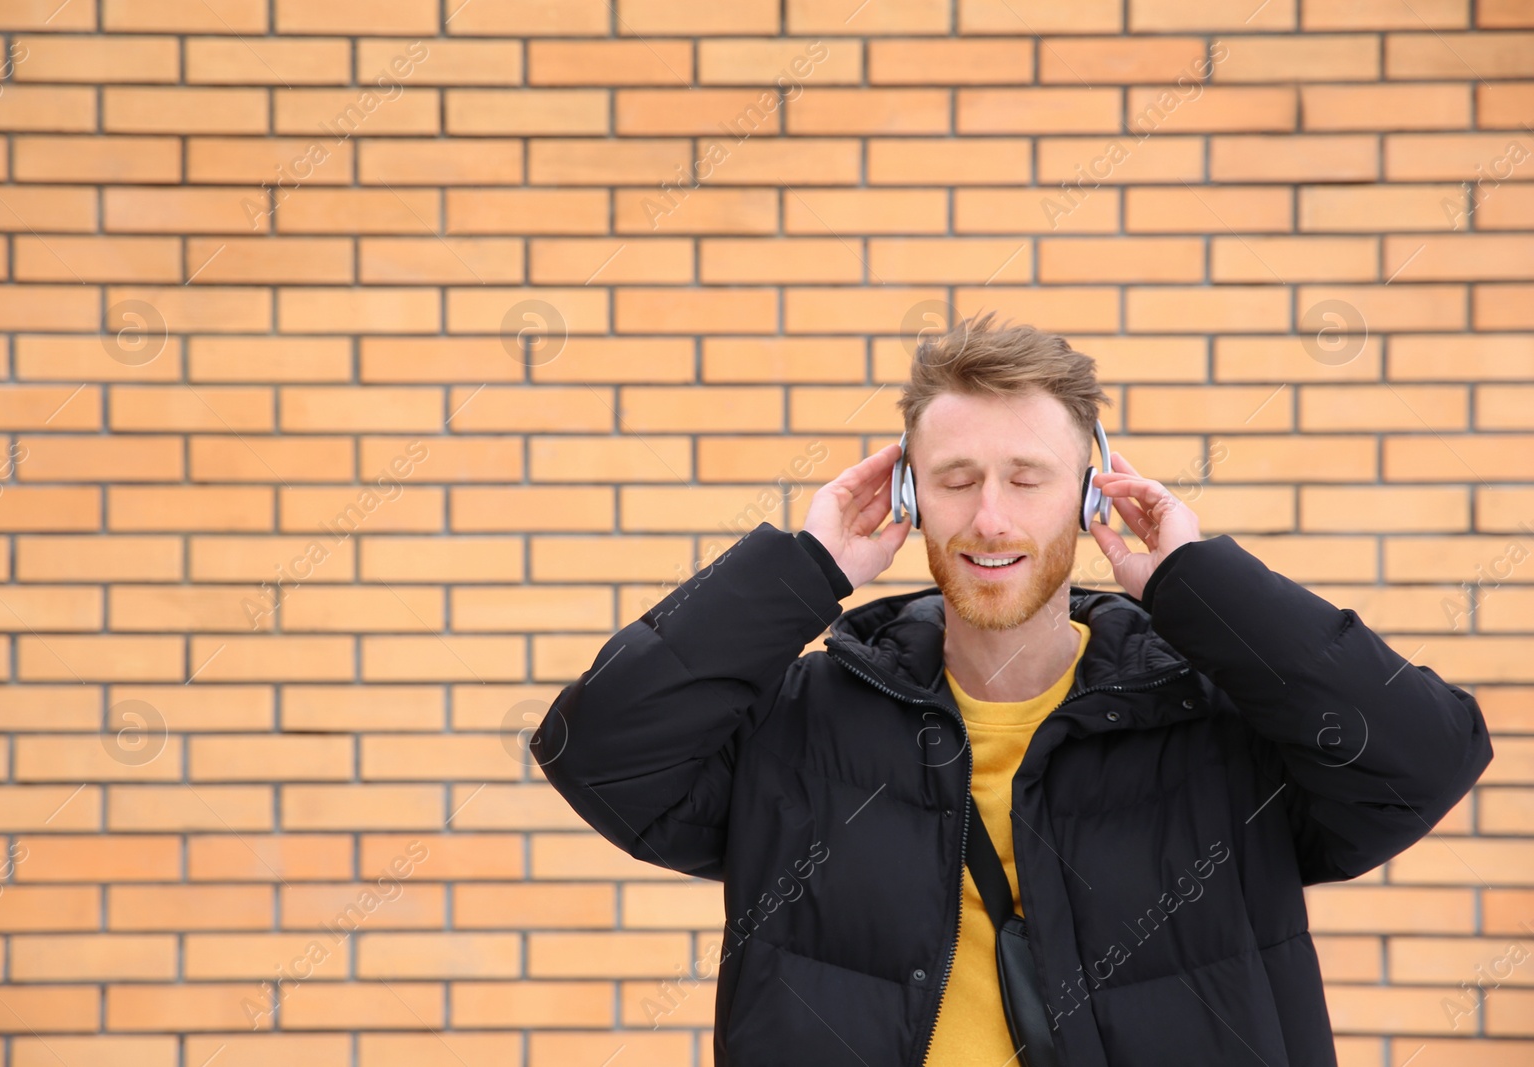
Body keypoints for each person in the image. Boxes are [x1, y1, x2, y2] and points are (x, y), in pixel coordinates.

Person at [532, 312, 1494, 1067]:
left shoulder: (1211, 724)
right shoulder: (800, 726)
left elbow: (1423, 757)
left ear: (1089, 490)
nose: (989, 517)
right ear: (908, 497)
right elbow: (600, 750)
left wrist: (1196, 581)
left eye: (1028, 478)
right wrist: (806, 565)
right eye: (956, 479)